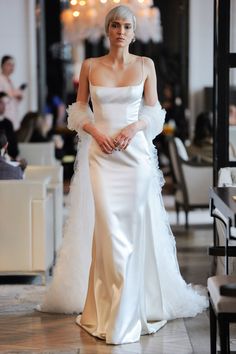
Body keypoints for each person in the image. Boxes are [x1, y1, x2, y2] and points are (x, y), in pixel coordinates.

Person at [39, 5, 208, 345]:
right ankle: (110, 310)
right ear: (107, 30)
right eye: (114, 24)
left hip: (135, 158)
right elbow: (78, 112)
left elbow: (154, 112)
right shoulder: (90, 66)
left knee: (131, 231)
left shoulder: (146, 65)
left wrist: (134, 128)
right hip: (101, 158)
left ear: (133, 32)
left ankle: (127, 313)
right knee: (109, 231)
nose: (120, 30)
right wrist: (96, 133)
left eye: (126, 26)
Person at [0, 55, 26, 130]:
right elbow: (2, 97)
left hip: (13, 117)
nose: (11, 67)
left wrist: (18, 98)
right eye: (9, 64)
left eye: (13, 65)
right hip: (4, 117)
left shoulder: (10, 81)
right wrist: (14, 93)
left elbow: (12, 101)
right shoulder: (0, 79)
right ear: (2, 65)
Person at [0, 91, 19, 160]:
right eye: (2, 102)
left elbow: (14, 147)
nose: (5, 105)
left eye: (7, 103)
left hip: (9, 159)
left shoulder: (8, 123)